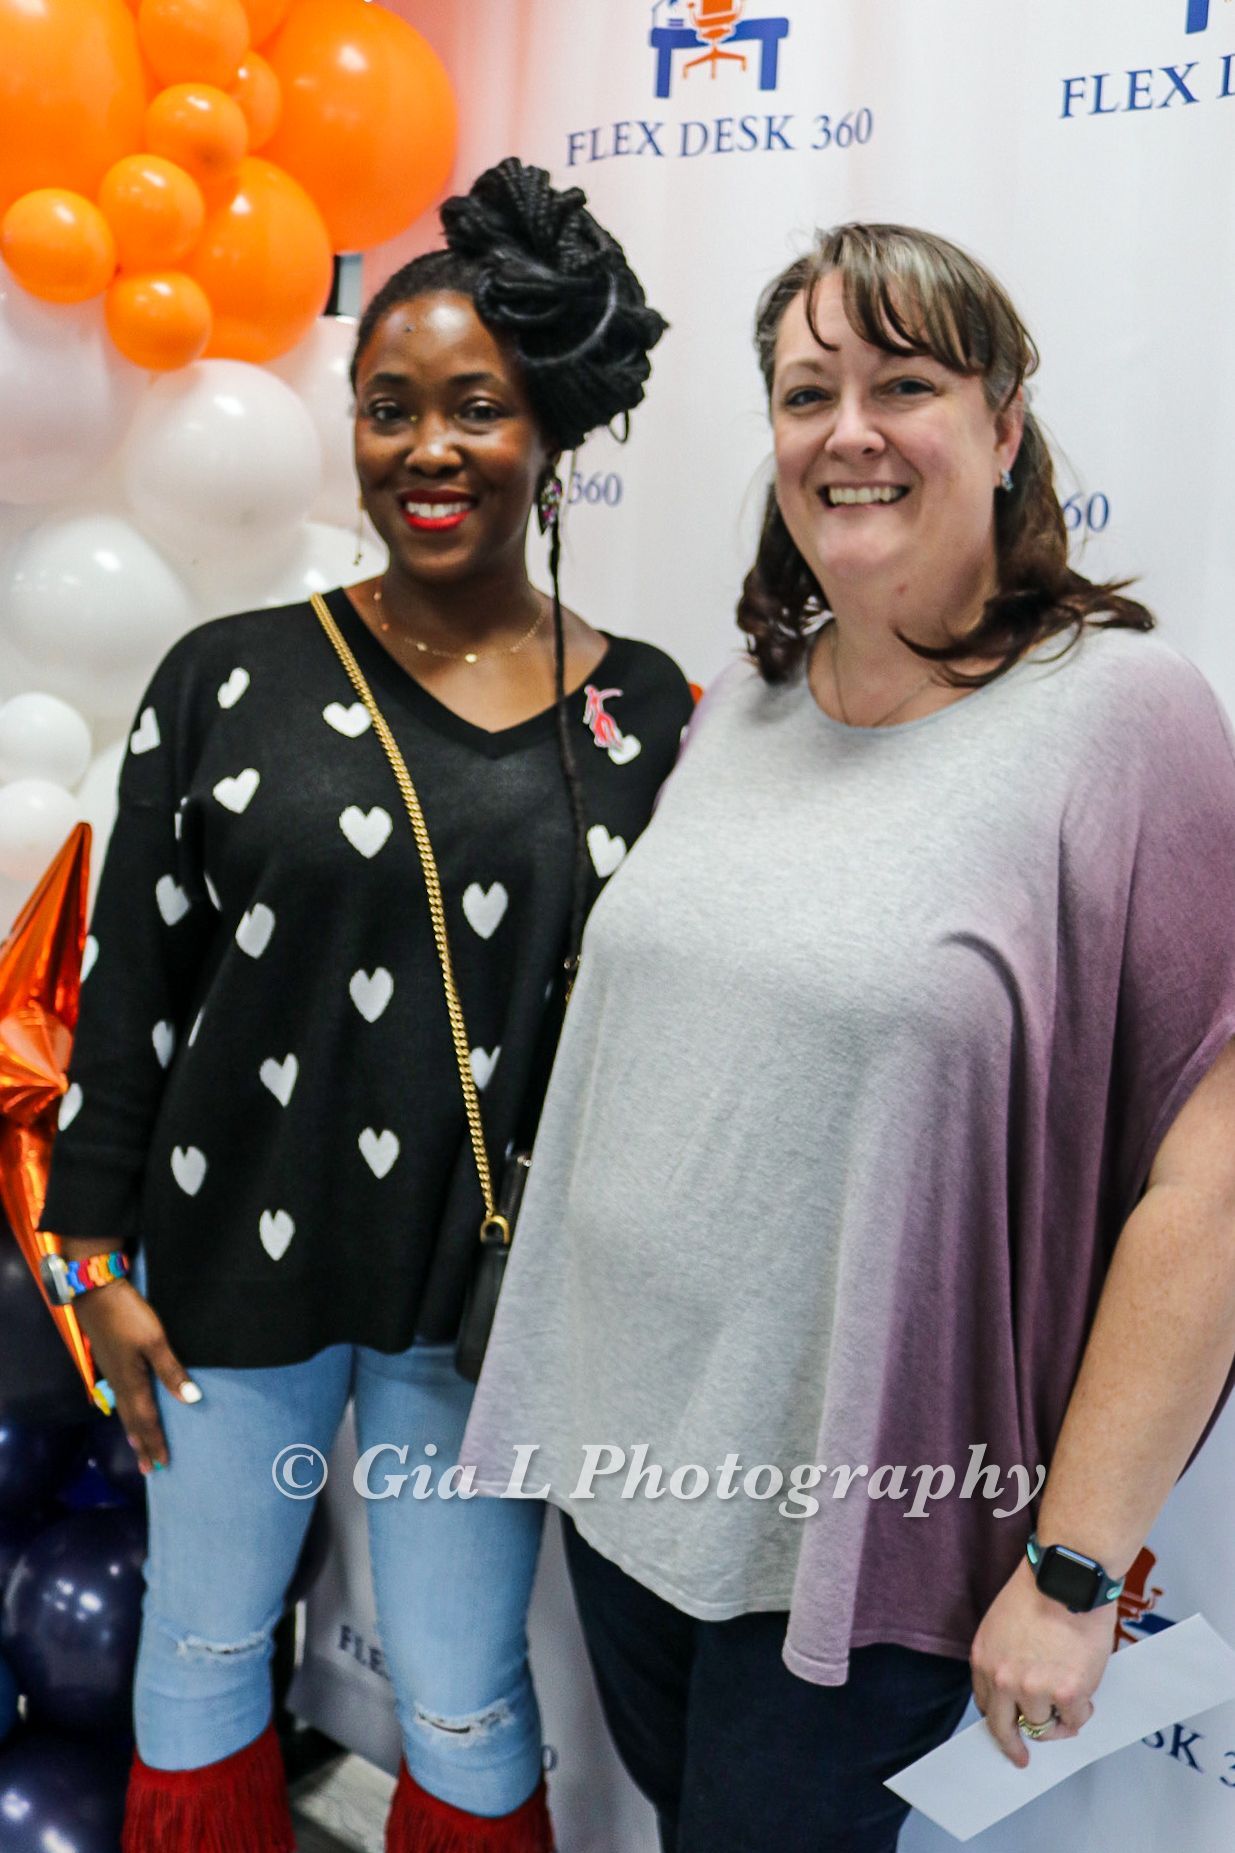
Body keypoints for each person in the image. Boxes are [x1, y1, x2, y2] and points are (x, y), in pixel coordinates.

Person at [460, 221, 1235, 1850]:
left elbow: (1214, 1178)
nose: (850, 430)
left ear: (1007, 424)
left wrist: (1078, 1565)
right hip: (631, 1478)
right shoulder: (745, 704)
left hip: (866, 1530)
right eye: (808, 391)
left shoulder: (1125, 716)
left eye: (905, 382)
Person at [40, 157, 693, 1853]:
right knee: (200, 1644)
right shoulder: (225, 678)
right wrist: (87, 1266)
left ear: (547, 428)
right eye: (389, 406)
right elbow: (130, 999)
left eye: (475, 406)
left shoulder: (646, 710)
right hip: (219, 1276)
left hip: (476, 1304)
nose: (429, 446)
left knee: (468, 1687)